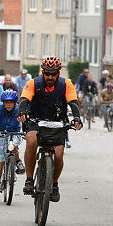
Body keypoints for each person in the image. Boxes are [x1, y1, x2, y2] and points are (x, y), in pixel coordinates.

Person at [17, 56, 82, 202]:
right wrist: (22, 112)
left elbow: (73, 102)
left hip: (57, 122)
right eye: (47, 73)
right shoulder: (33, 83)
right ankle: (29, 179)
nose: (50, 77)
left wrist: (77, 118)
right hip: (36, 120)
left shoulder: (66, 84)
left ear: (58, 73)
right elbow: (24, 99)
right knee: (31, 141)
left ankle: (54, 184)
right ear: (43, 72)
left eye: (53, 74)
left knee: (58, 154)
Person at [0, 90, 26, 197]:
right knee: (0, 160)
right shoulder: (0, 108)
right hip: (1, 134)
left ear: (15, 102)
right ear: (3, 102)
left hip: (15, 132)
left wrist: (27, 129)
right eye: (6, 102)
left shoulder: (18, 109)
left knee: (13, 145)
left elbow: (25, 120)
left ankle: (17, 161)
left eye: (11, 102)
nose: (8, 104)